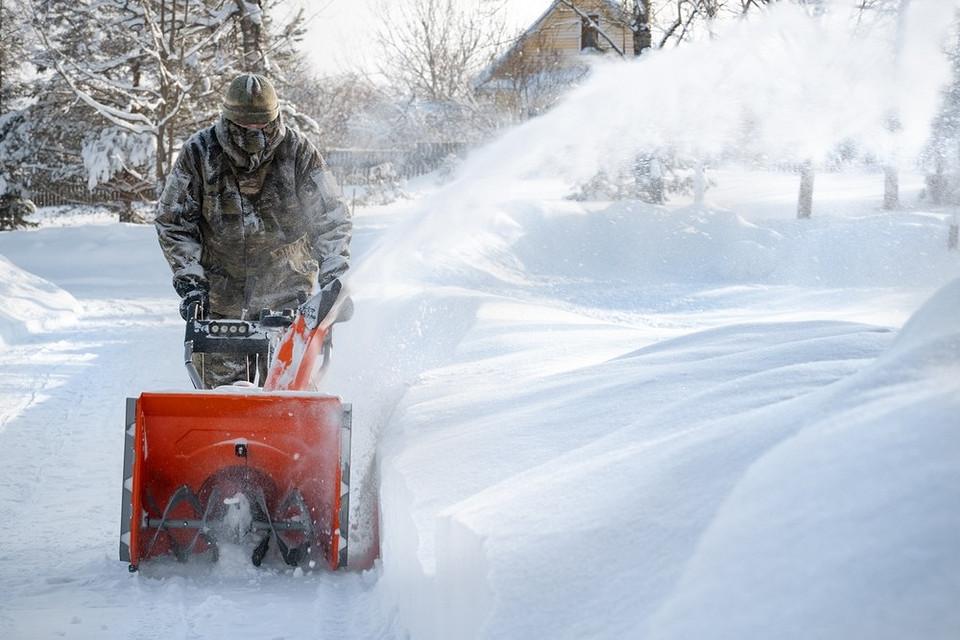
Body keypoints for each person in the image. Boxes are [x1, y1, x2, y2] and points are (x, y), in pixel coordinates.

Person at [155, 73, 351, 388]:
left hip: (287, 295)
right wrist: (191, 283)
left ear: (275, 118)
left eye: (263, 125)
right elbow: (174, 221)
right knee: (222, 398)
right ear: (228, 119)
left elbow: (331, 219)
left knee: (288, 395)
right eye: (244, 126)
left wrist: (333, 281)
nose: (254, 134)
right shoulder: (200, 153)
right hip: (220, 301)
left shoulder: (298, 153)